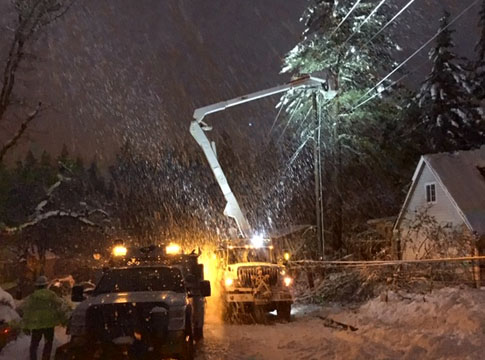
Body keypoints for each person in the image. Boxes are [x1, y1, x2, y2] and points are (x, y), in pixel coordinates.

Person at [18, 275, 70, 360]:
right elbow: (60, 307)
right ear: (46, 285)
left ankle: (33, 358)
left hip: (36, 325)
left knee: (34, 344)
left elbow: (26, 311)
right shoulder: (52, 295)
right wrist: (64, 321)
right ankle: (45, 358)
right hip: (49, 324)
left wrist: (25, 325)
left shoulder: (32, 297)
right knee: (48, 343)